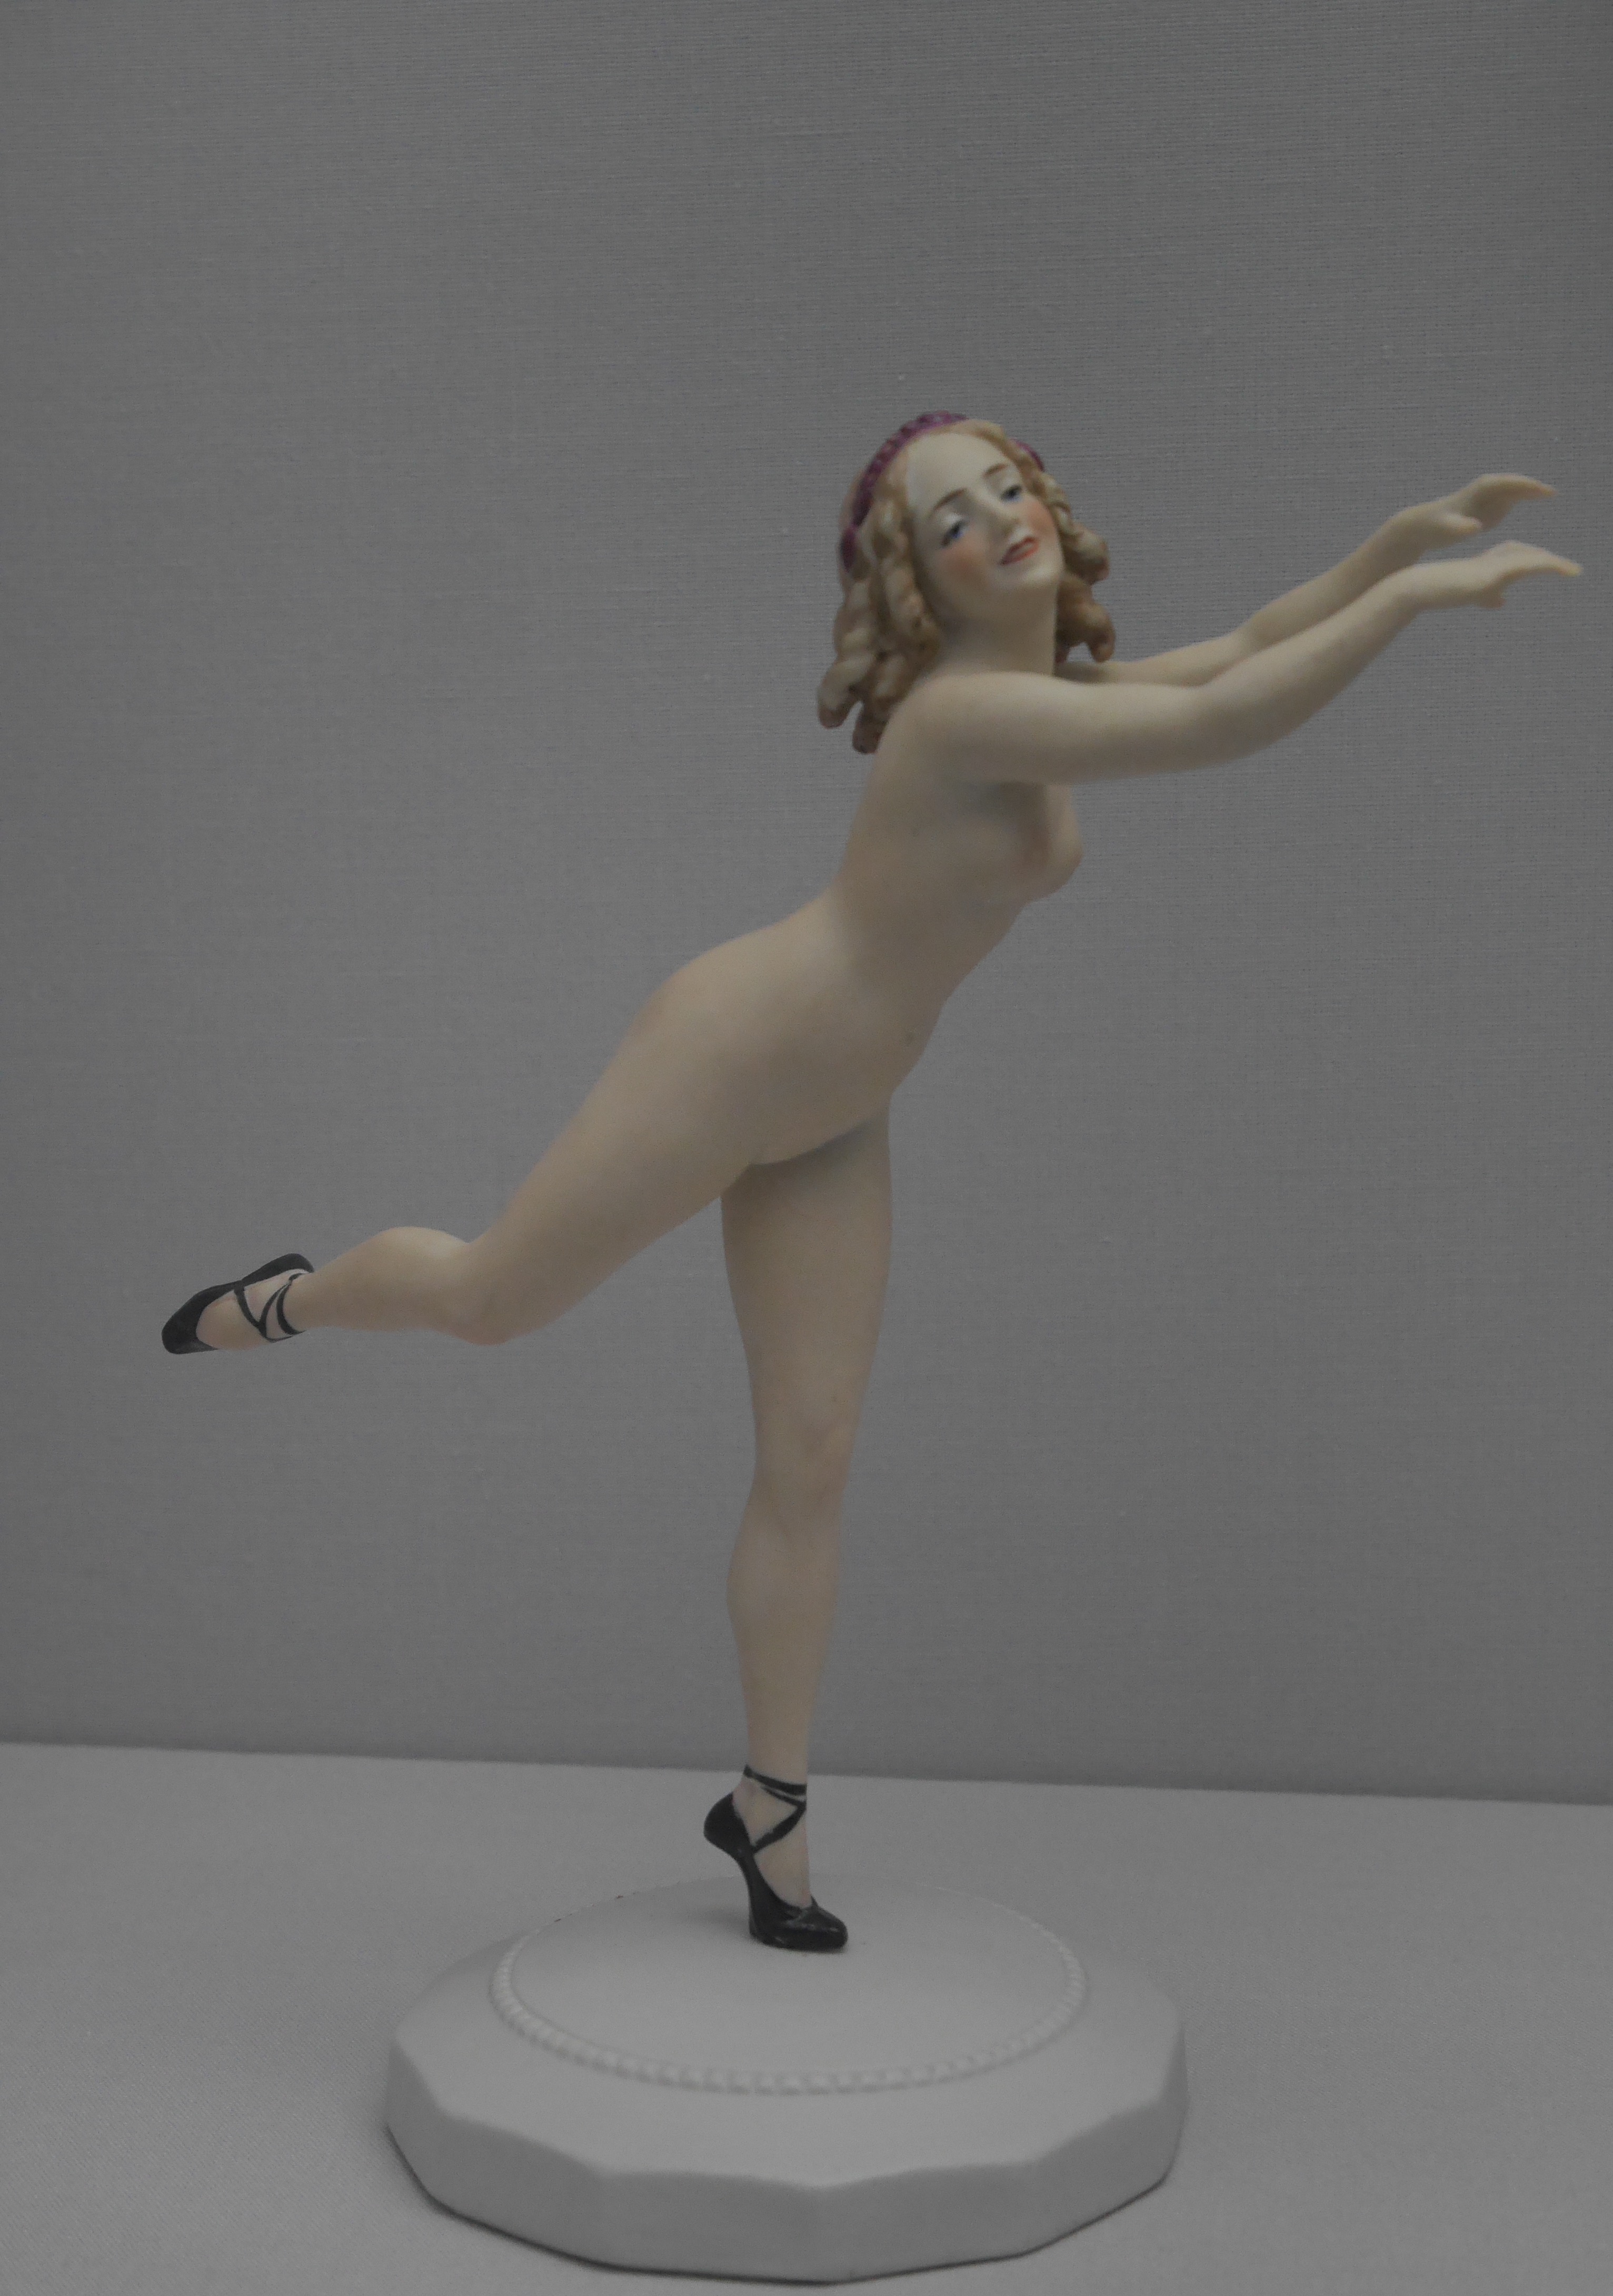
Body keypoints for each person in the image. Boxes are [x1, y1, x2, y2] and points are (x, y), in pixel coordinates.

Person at [162, 413, 1579, 1951]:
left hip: (837, 1108)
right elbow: (1229, 721)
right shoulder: (962, 720)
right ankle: (289, 1297)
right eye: (952, 517)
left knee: (814, 1452)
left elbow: (1236, 650)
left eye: (1008, 486)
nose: (999, 519)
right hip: (730, 1054)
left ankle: (768, 1808)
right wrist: (1412, 603)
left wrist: (1394, 544)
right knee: (489, 1298)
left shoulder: (1050, 698)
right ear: (920, 578)